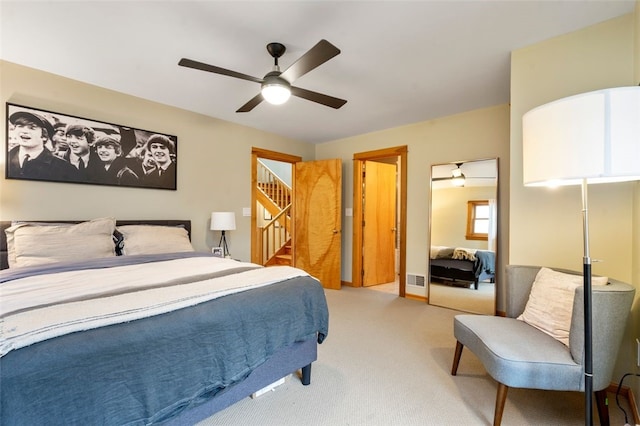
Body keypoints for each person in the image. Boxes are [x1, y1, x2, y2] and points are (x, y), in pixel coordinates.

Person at [7, 111, 78, 181]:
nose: (24, 131)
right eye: (20, 126)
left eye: (32, 127)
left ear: (44, 135)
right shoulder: (7, 158)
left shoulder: (65, 168)